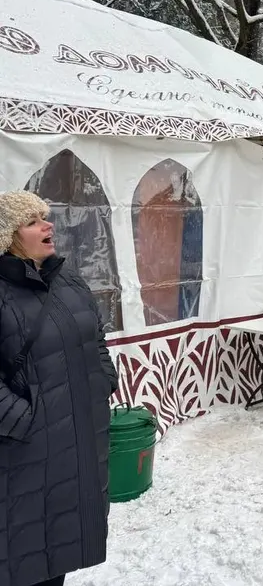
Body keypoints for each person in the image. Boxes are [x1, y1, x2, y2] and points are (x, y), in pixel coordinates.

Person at [0, 191, 119, 586]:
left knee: (60, 549)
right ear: (7, 236)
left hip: (79, 442)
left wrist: (104, 380)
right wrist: (25, 421)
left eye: (45, 217)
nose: (48, 225)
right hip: (23, 453)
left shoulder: (66, 277)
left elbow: (95, 336)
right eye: (33, 221)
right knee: (22, 554)